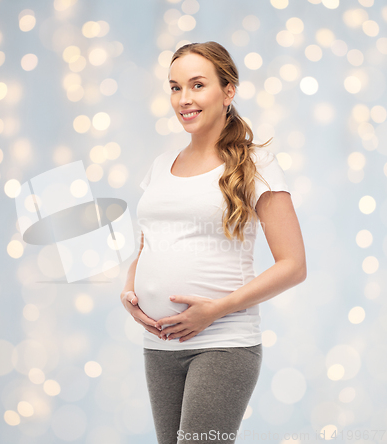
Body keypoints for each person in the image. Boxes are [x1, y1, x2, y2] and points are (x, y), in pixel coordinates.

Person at [120, 41, 306, 444]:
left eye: (197, 85)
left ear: (228, 91)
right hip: (160, 344)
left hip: (223, 344)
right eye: (174, 87)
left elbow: (293, 264)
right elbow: (148, 242)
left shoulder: (256, 165)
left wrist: (214, 310)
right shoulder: (160, 166)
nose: (183, 99)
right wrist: (130, 290)